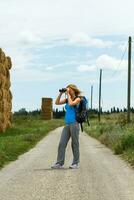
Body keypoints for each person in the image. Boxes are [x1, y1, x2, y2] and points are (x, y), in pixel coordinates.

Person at [51, 84, 82, 169]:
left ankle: (75, 163)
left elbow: (71, 104)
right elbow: (56, 102)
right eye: (68, 89)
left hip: (74, 124)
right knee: (62, 143)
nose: (68, 90)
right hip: (67, 124)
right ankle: (59, 163)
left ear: (73, 90)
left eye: (70, 89)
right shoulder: (66, 99)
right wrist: (61, 93)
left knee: (74, 143)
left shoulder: (78, 99)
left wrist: (68, 94)